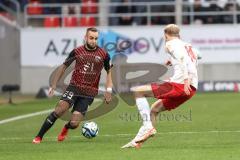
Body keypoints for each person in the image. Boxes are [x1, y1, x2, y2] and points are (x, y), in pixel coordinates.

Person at [121, 24, 198, 148]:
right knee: (154, 109)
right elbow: (196, 57)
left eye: (165, 37)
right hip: (192, 88)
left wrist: (185, 79)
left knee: (138, 91)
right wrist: (172, 61)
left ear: (166, 35)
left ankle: (148, 127)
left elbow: (182, 58)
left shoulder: (170, 44)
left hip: (180, 84)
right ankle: (137, 142)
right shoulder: (188, 46)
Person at [33, 27, 113, 144]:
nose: (93, 41)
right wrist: (54, 84)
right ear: (85, 38)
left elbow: (109, 71)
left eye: (96, 38)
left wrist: (109, 90)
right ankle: (39, 136)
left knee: (74, 124)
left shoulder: (104, 55)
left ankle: (66, 127)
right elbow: (64, 66)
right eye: (91, 38)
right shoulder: (77, 51)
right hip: (74, 87)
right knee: (60, 110)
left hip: (89, 92)